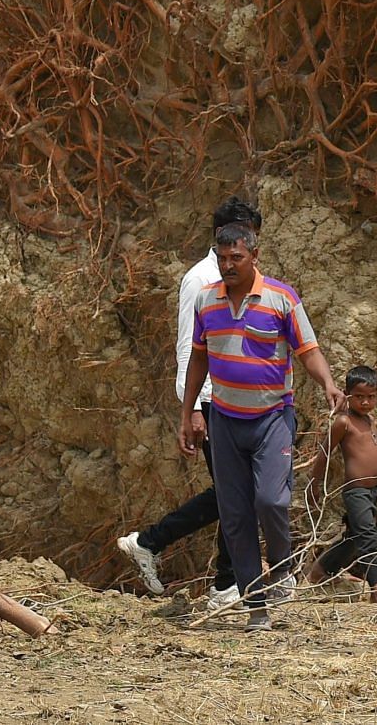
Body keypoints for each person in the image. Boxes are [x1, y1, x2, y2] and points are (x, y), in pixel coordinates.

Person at [178, 223, 344, 630]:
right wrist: (189, 412)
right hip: (225, 421)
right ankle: (257, 609)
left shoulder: (281, 298)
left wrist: (327, 383)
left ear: (255, 256)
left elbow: (308, 349)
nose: (229, 265)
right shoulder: (206, 301)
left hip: (272, 419)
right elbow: (198, 359)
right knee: (234, 517)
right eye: (222, 258)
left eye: (237, 257)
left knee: (270, 501)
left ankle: (283, 568)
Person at [116, 197, 263, 609]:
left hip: (244, 402)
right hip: (215, 401)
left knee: (237, 491)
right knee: (238, 492)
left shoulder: (245, 280)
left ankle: (153, 544)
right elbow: (188, 350)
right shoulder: (200, 280)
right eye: (246, 234)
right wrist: (194, 408)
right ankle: (225, 583)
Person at [303, 365, 377, 604]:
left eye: (370, 397)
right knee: (368, 536)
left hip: (372, 491)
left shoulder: (370, 420)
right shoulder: (344, 423)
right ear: (347, 395)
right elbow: (325, 452)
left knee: (355, 537)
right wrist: (314, 483)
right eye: (359, 397)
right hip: (355, 491)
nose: (365, 402)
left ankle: (320, 570)